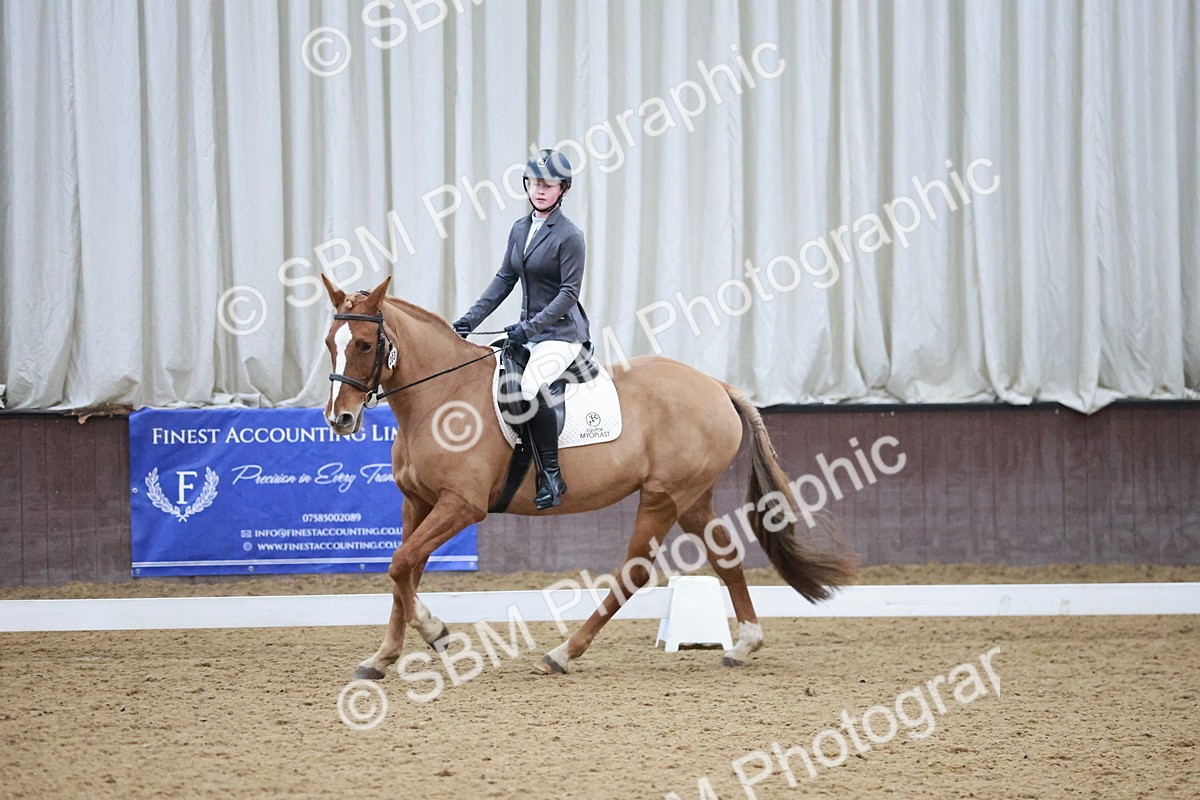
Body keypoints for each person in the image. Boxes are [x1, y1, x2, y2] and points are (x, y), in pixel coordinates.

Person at [453, 148, 591, 510]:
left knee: (530, 387)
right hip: (528, 332)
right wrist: (468, 321)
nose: (540, 190)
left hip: (561, 334)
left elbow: (568, 295)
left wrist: (529, 328)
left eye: (548, 185)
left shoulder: (569, 236)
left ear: (563, 189)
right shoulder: (519, 228)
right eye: (534, 183)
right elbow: (504, 279)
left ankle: (550, 474)